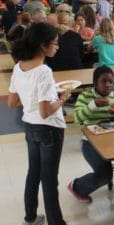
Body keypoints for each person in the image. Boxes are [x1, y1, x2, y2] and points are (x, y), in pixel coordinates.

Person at [8, 22, 70, 225]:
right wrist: (62, 99)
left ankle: (31, 217)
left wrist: (32, 97)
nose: (57, 47)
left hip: (30, 127)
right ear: (43, 46)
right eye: (55, 43)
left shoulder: (19, 67)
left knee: (33, 172)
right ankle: (56, 222)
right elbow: (45, 112)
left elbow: (12, 102)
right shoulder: (43, 70)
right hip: (49, 129)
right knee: (50, 179)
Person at [68, 65, 114, 203]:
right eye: (103, 82)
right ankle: (76, 187)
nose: (108, 85)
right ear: (95, 83)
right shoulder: (85, 96)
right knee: (105, 175)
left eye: (111, 82)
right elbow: (77, 119)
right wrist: (93, 105)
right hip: (91, 142)